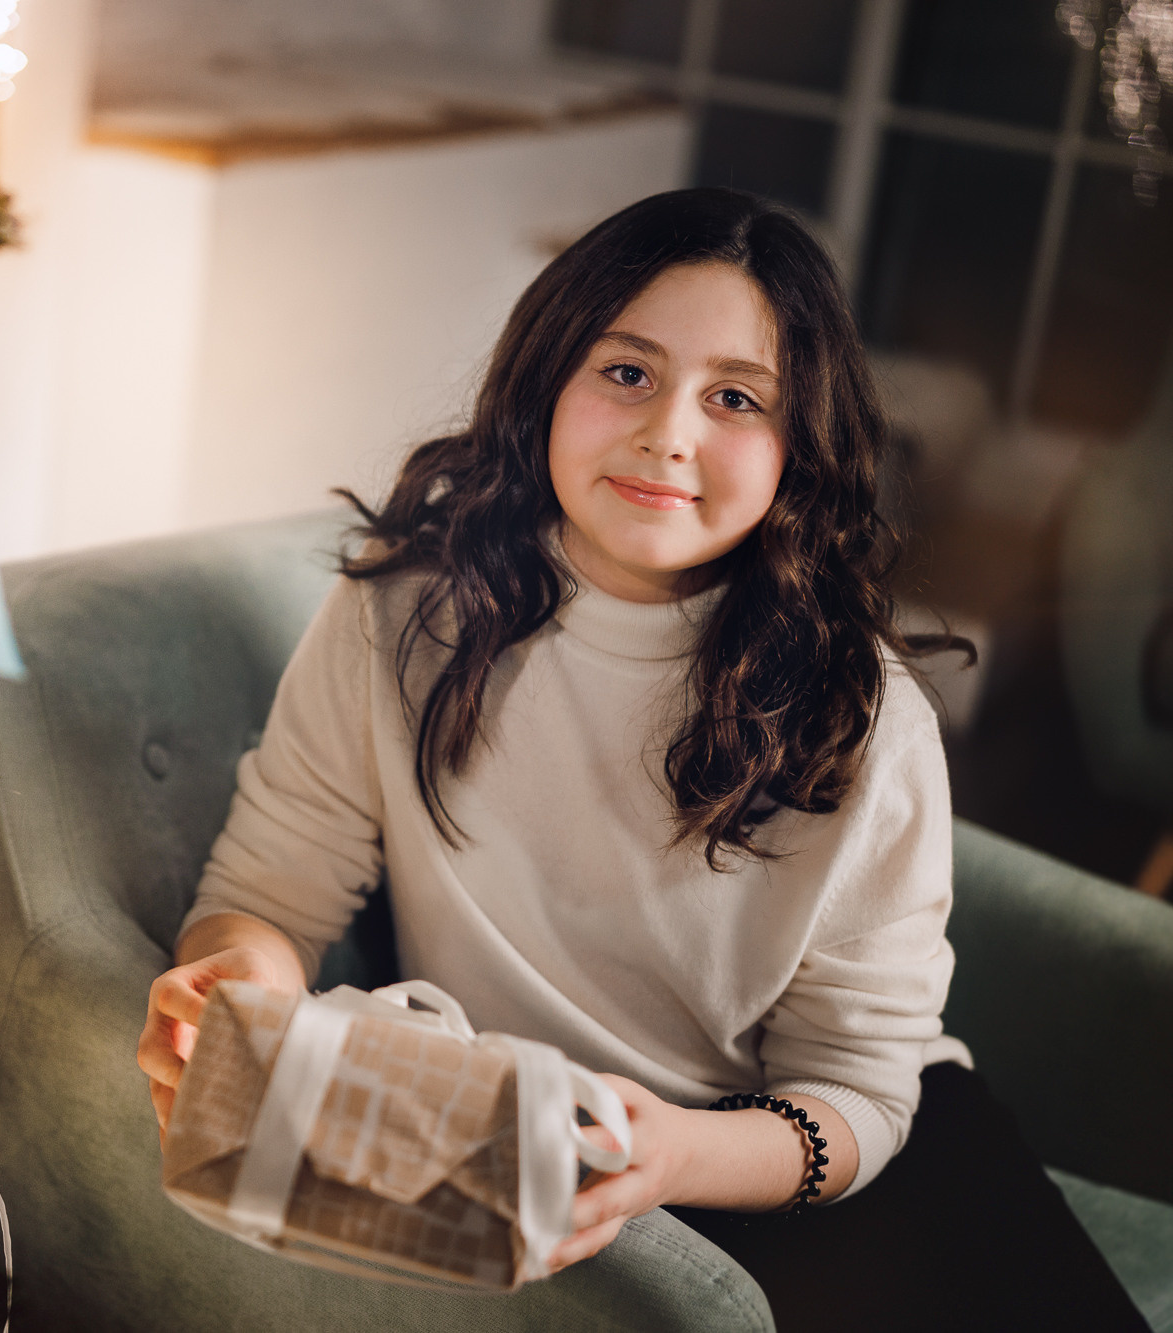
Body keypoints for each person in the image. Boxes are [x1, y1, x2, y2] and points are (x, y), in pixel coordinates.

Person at [134, 188, 1148, 1331]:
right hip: (543, 1152)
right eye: (625, 372)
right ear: (546, 379)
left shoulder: (863, 715)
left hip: (800, 1156)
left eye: (733, 397)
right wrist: (239, 998)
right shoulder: (404, 613)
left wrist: (674, 1153)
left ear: (795, 445)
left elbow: (861, 1091)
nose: (668, 432)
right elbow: (268, 891)